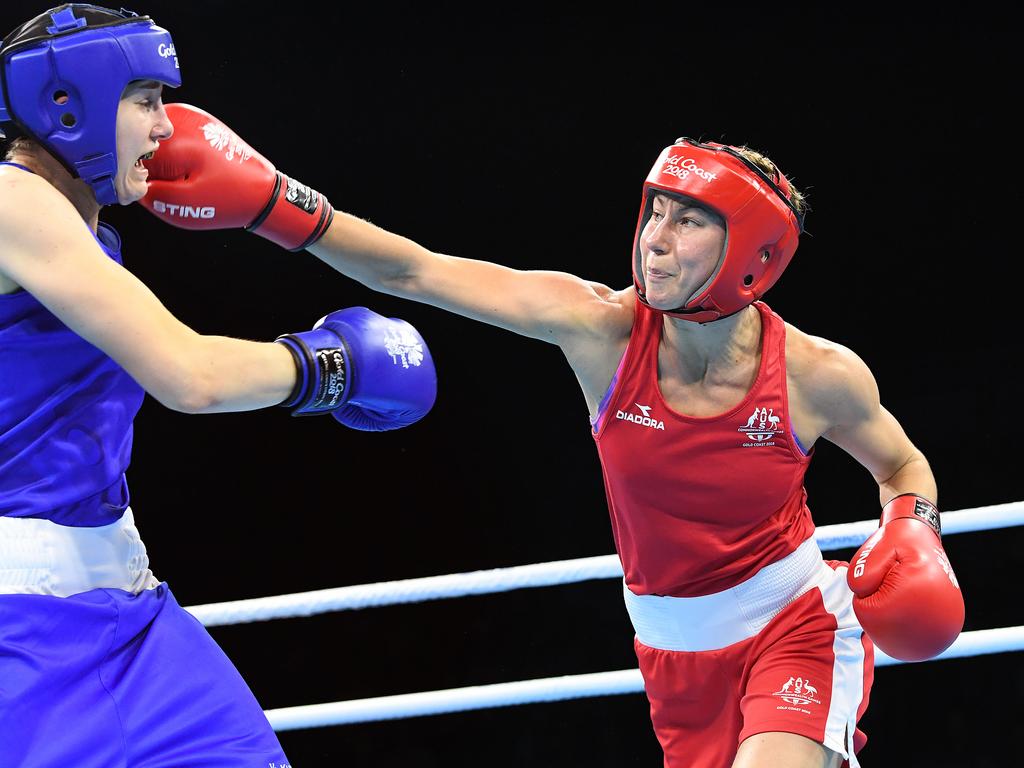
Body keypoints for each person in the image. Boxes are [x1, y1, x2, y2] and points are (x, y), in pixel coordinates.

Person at [140, 100, 966, 766]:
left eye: (689, 222)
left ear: (751, 252)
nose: (656, 240)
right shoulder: (601, 330)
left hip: (795, 622)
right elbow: (418, 271)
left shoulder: (817, 374)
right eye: (657, 211)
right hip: (672, 654)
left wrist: (914, 530)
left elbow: (902, 463)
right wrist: (279, 205)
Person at [0, 5, 437, 766]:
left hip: (128, 607)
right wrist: (330, 363)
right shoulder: (13, 202)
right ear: (66, 106)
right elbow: (188, 375)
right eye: (144, 100)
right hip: (22, 627)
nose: (168, 126)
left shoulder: (77, 228)